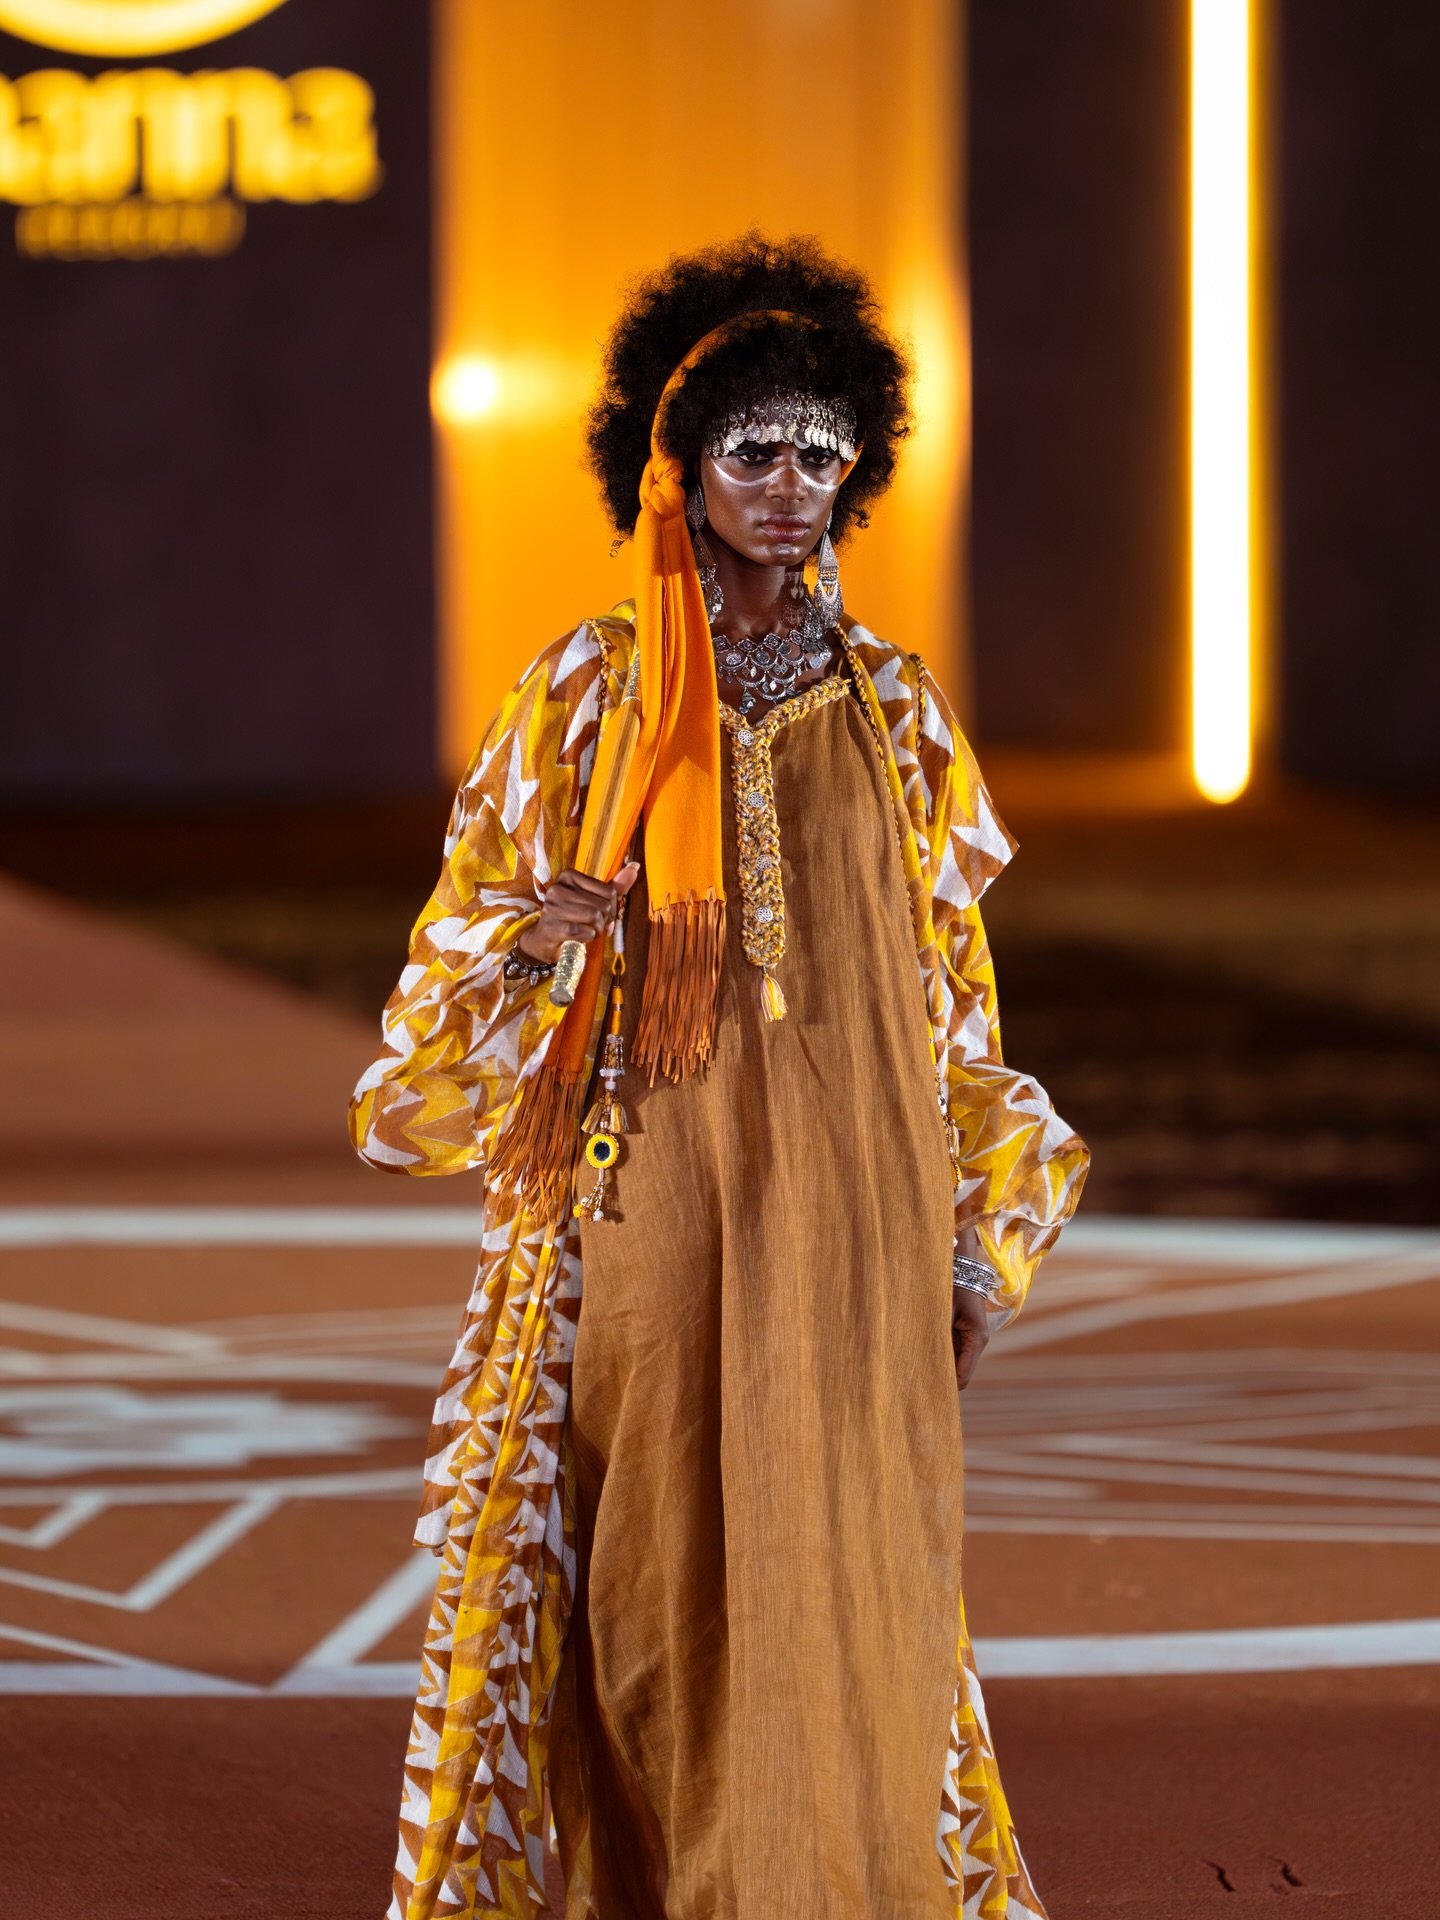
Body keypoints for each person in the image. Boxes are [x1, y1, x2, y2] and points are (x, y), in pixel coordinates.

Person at [350, 231, 1089, 1920]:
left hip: (857, 1218)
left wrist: (982, 1242)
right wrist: (538, 943)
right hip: (649, 1211)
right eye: (755, 451)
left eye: (825, 456)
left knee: (853, 1573)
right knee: (650, 1581)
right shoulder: (587, 696)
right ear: (672, 468)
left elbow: (951, 1000)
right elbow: (437, 1012)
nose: (791, 490)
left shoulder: (897, 712)